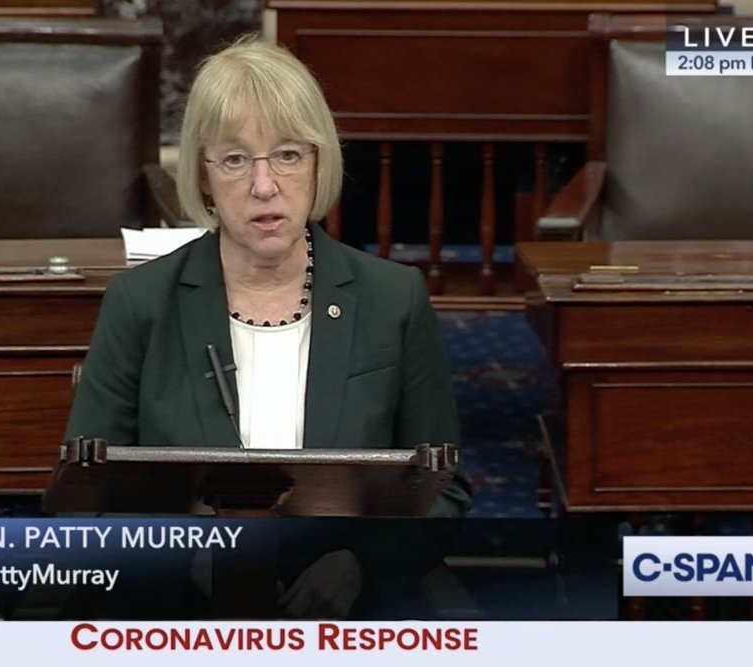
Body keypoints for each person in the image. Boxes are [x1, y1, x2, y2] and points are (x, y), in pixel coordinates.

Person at [64, 35, 470, 617]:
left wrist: (360, 564)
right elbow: (83, 498)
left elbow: (444, 489)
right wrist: (182, 555)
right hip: (178, 617)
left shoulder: (392, 299)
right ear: (203, 175)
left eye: (287, 154)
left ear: (318, 161)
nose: (263, 185)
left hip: (347, 617)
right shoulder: (140, 303)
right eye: (234, 159)